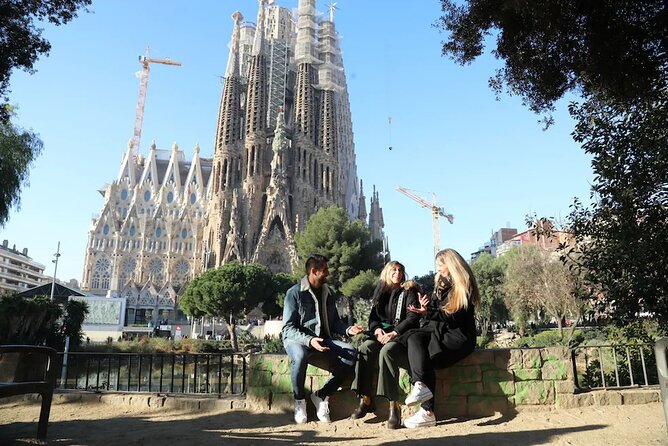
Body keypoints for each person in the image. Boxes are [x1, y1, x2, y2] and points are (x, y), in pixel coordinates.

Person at [388, 248, 480, 429]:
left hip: (459, 337)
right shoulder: (441, 284)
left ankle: (427, 411)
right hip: (441, 331)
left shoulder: (463, 286)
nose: (438, 271)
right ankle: (421, 389)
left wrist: (428, 312)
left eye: (440, 267)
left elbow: (453, 317)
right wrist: (427, 308)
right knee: (413, 338)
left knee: (426, 355)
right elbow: (438, 313)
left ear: (451, 266)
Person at [282, 254, 365, 424]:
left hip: (321, 339)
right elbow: (288, 328)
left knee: (351, 351)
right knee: (299, 357)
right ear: (314, 271)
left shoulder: (328, 293)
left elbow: (334, 323)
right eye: (325, 270)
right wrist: (309, 341)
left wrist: (349, 329)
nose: (328, 273)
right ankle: (299, 400)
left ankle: (322, 395)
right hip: (297, 340)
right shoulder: (294, 293)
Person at [350, 261, 421, 429]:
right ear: (387, 272)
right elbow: (373, 318)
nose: (398, 273)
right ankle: (365, 398)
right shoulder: (381, 293)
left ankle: (393, 405)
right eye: (394, 270)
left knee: (386, 352)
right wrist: (376, 331)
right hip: (382, 334)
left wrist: (394, 332)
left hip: (401, 336)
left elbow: (412, 318)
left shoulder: (408, 291)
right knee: (364, 348)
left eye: (400, 270)